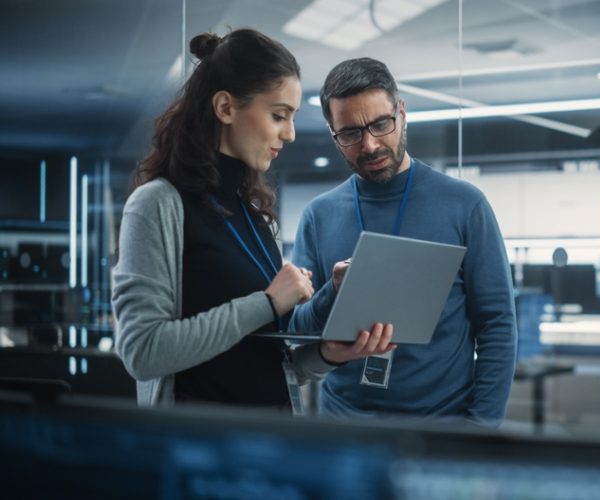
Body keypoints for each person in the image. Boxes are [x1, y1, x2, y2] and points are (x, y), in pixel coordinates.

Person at [112, 29, 394, 410]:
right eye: (279, 115)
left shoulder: (254, 215)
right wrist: (266, 303)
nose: (290, 133)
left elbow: (269, 363)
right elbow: (142, 352)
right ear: (225, 108)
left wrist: (328, 353)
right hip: (196, 451)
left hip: (269, 443)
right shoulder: (157, 205)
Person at [290, 57, 517, 427]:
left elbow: (497, 325)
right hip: (345, 428)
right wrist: (333, 291)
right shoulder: (319, 216)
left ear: (402, 113)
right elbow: (298, 331)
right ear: (333, 135)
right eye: (350, 134)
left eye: (381, 124)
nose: (370, 144)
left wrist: (481, 428)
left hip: (443, 428)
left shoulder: (464, 205)